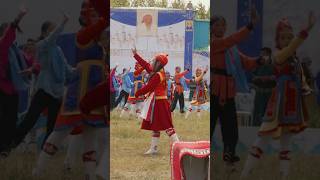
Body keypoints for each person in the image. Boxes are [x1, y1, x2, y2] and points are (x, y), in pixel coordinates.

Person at [241, 12, 316, 179]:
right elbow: (291, 49)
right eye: (283, 37)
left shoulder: (295, 61)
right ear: (277, 40)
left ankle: (284, 176)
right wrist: (306, 30)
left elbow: (302, 81)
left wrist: (307, 94)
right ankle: (244, 175)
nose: (287, 40)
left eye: (289, 37)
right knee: (262, 138)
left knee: (286, 143)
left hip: (291, 106)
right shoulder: (278, 55)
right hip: (278, 103)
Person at [211, 7, 262, 165]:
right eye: (217, 25)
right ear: (211, 28)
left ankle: (229, 155)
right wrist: (250, 26)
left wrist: (260, 61)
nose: (221, 28)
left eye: (223, 25)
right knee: (209, 127)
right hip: (214, 91)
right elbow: (232, 39)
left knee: (231, 128)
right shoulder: (214, 43)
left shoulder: (230, 49)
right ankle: (202, 154)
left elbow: (245, 62)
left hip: (228, 92)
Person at [132, 47, 179, 155]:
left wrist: (137, 93)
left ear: (158, 63)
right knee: (156, 126)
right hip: (157, 102)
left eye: (154, 61)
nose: (151, 62)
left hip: (160, 102)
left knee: (167, 126)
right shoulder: (158, 72)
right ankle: (154, 148)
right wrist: (136, 55)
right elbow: (145, 64)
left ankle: (179, 146)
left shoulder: (158, 75)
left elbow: (148, 87)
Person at [0, 7, 28, 156]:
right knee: (5, 119)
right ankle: (4, 147)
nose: (12, 33)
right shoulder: (2, 45)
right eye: (8, 31)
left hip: (13, 88)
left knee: (11, 119)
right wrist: (17, 19)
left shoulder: (16, 51)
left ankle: (7, 148)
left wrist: (35, 68)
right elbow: (9, 34)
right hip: (3, 87)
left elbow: (29, 62)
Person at [251, 47, 275, 126]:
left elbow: (275, 78)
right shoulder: (258, 66)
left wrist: (264, 78)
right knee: (258, 113)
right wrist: (261, 79)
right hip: (259, 94)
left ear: (269, 55)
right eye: (261, 54)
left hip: (270, 94)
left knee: (268, 113)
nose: (262, 56)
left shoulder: (273, 66)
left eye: (264, 54)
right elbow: (253, 78)